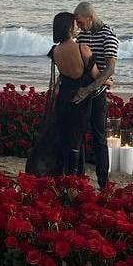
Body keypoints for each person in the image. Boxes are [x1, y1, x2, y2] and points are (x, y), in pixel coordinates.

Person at [72, 2, 118, 189]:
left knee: (99, 137)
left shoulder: (109, 35)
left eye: (81, 23)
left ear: (90, 18)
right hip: (83, 88)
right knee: (79, 135)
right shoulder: (83, 34)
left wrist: (88, 89)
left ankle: (103, 181)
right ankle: (80, 176)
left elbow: (110, 69)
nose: (79, 27)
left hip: (96, 92)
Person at [50, 11, 99, 174]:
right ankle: (75, 175)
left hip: (64, 97)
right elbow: (96, 75)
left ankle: (65, 173)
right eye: (75, 25)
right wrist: (109, 80)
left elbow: (63, 76)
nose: (78, 27)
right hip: (80, 98)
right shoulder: (82, 48)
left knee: (66, 136)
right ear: (70, 28)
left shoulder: (55, 51)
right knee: (77, 139)